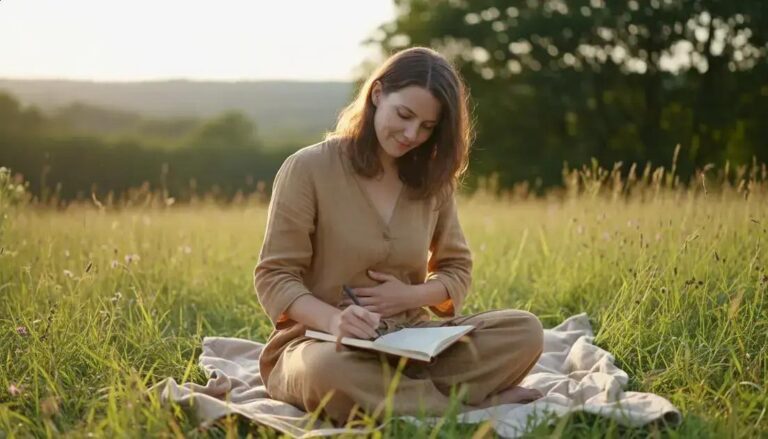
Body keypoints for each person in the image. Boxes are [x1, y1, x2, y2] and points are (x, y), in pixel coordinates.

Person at [254, 47, 544, 425]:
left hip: (412, 344)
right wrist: (334, 321)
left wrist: (410, 296)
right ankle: (466, 408)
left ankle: (400, 397)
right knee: (326, 372)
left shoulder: (434, 181)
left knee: (525, 331)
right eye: (404, 115)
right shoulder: (308, 168)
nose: (412, 134)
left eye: (427, 127)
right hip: (322, 343)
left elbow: (456, 270)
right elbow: (274, 276)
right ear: (377, 95)